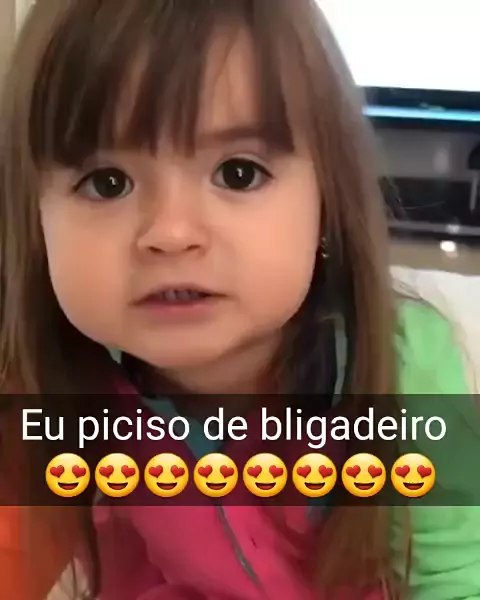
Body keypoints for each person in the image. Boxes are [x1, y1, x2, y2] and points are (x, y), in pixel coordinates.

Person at [0, 1, 479, 599]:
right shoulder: (58, 385)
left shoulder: (405, 371)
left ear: (328, 201)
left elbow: (457, 579)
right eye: (107, 183)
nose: (171, 233)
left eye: (238, 173)